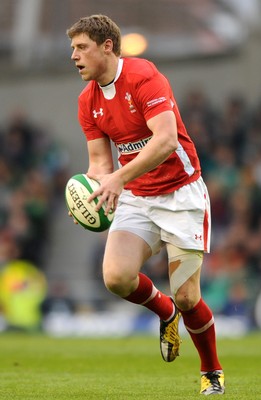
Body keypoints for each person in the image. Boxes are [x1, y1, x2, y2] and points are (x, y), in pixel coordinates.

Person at [66, 14, 225, 395]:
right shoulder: (87, 101)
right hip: (137, 196)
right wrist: (91, 196)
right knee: (116, 278)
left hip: (181, 194)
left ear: (107, 46)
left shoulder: (143, 76)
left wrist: (119, 177)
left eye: (81, 47)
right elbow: (101, 165)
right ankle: (164, 312)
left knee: (188, 295)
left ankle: (212, 372)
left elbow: (167, 140)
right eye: (72, 48)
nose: (74, 56)